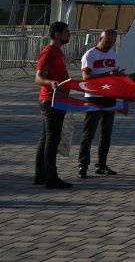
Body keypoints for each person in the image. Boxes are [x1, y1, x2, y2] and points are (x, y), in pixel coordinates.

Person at [78, 28, 124, 178]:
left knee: (106, 133)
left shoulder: (112, 53)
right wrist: (107, 74)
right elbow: (86, 78)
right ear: (100, 38)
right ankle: (83, 165)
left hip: (109, 96)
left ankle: (102, 165)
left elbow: (113, 73)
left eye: (112, 42)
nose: (109, 45)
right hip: (93, 97)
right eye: (107, 42)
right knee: (89, 132)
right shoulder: (90, 55)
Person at [34, 21, 73, 189]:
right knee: (52, 139)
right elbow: (38, 77)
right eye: (66, 32)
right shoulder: (49, 52)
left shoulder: (58, 52)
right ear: (57, 34)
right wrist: (51, 83)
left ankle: (40, 175)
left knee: (46, 139)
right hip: (51, 100)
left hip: (59, 99)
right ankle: (51, 177)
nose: (68, 35)